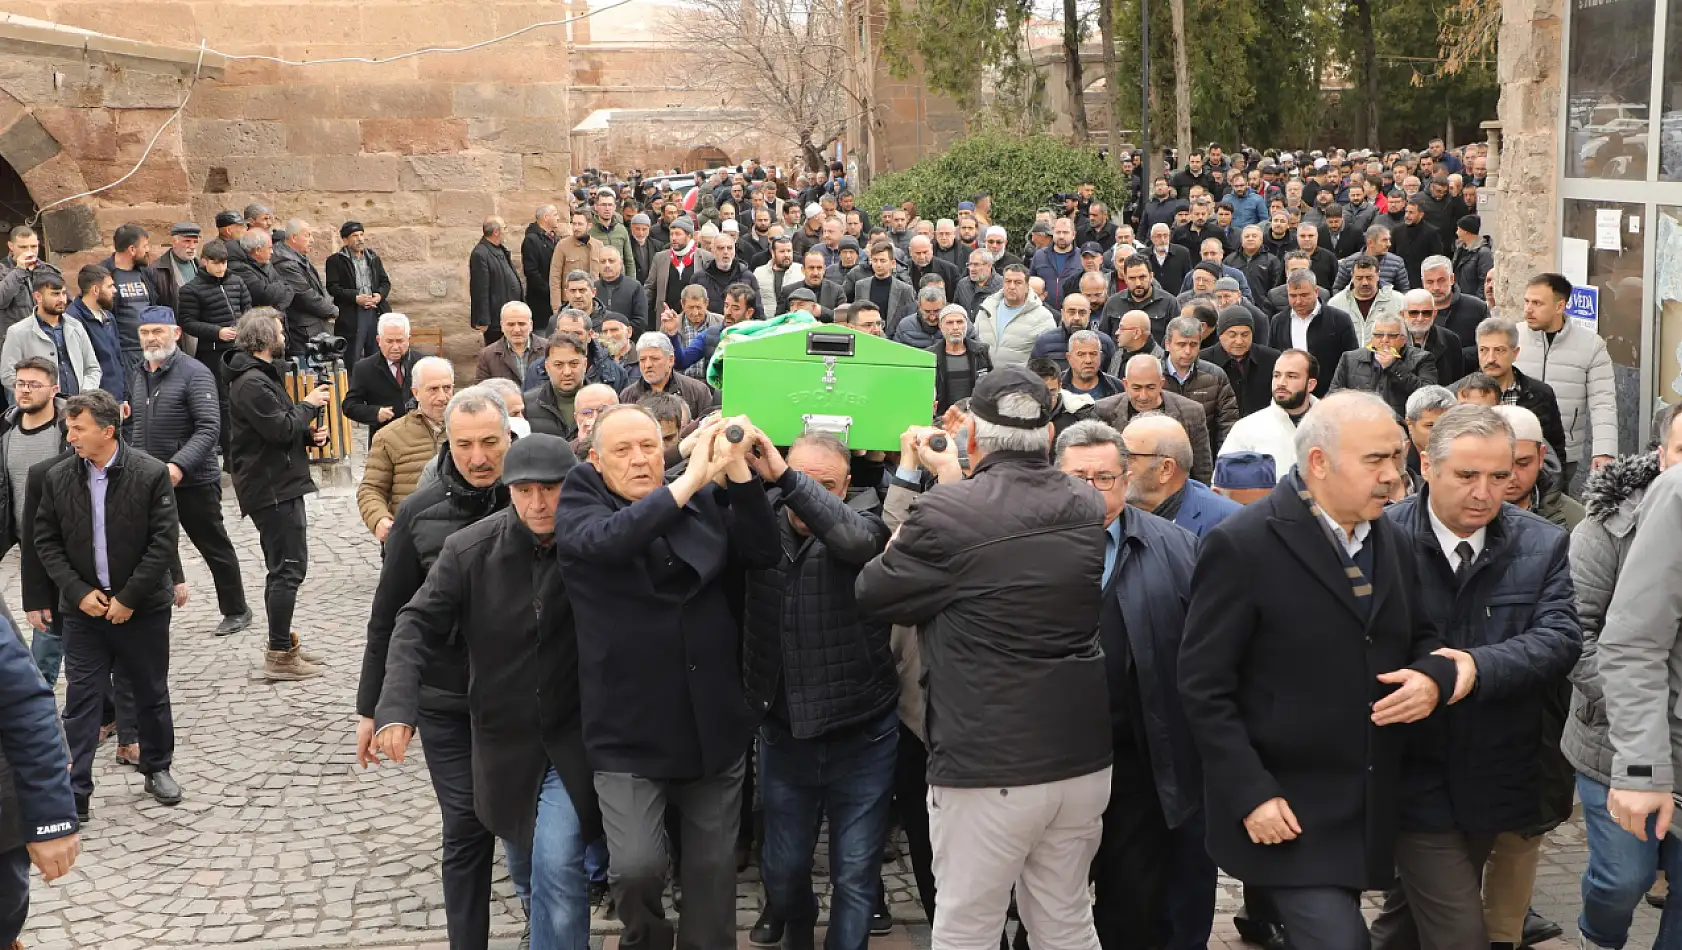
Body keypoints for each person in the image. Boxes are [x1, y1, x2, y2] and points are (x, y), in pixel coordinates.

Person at [1179, 390, 1458, 950]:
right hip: (1288, 806)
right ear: (1318, 464)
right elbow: (1203, 685)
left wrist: (1434, 678)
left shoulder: (1392, 540)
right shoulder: (1244, 544)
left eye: (1396, 459)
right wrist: (1250, 793)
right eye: (1374, 460)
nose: (1392, 476)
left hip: (1371, 801)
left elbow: (1422, 636)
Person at [855, 368, 1111, 950]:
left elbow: (874, 591)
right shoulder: (1085, 500)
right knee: (1065, 920)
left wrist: (936, 485)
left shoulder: (947, 513)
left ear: (973, 439)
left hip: (987, 762)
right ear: (1048, 437)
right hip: (1079, 757)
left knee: (966, 927)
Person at [557, 408, 781, 950]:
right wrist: (689, 480)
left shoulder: (698, 495)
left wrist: (740, 472)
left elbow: (762, 552)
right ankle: (647, 940)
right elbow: (611, 540)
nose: (640, 460)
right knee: (635, 868)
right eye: (624, 451)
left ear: (666, 447)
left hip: (713, 722)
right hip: (627, 727)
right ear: (596, 459)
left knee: (712, 875)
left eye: (650, 447)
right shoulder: (582, 502)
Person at [373, 433, 600, 950]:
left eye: (552, 489)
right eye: (525, 491)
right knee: (525, 868)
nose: (539, 504)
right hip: (502, 742)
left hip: (574, 738)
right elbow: (412, 622)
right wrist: (395, 707)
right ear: (509, 489)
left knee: (559, 867)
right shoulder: (468, 549)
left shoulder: (595, 540)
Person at [1368, 404, 1581, 950]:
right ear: (1427, 465)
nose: (1485, 492)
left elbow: (1560, 640)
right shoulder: (1378, 538)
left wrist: (1472, 667)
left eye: (1500, 476)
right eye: (1467, 475)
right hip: (1409, 770)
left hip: (1496, 770)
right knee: (1460, 930)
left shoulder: (1543, 542)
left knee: (1410, 918)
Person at [357, 385, 513, 950]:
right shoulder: (420, 513)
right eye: (466, 444)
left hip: (521, 697)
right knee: (467, 825)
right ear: (448, 440)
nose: (478, 458)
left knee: (528, 829)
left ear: (507, 439)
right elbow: (389, 615)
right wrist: (372, 706)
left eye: (490, 443)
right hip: (447, 700)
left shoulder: (533, 498)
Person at [1052, 419, 1212, 950]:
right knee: (1049, 897)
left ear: (1126, 480)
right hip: (1047, 762)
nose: (1092, 490)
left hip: (1142, 759)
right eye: (1078, 477)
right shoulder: (1022, 548)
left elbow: (1204, 651)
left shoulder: (1178, 549)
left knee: (1134, 900)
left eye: (1105, 478)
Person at [740, 432, 896, 950]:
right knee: (783, 871)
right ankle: (797, 931)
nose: (809, 497)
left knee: (854, 875)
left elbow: (852, 543)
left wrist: (788, 478)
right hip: (786, 734)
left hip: (863, 733)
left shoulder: (870, 522)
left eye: (824, 485)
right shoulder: (756, 517)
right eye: (798, 480)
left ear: (848, 485)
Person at [33, 390, 185, 817]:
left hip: (143, 609)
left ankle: (157, 767)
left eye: (78, 428)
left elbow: (162, 542)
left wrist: (129, 598)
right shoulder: (59, 477)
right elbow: (46, 541)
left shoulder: (150, 473)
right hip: (83, 613)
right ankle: (75, 790)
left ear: (108, 430)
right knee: (81, 700)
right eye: (69, 426)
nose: (70, 435)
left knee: (150, 690)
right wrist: (78, 592)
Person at [1565, 403, 1682, 949]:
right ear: (1663, 455)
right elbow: (1581, 633)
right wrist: (1641, 725)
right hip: (1614, 740)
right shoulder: (1608, 530)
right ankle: (1598, 938)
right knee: (1623, 879)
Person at [126, 307, 251, 637]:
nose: (151, 338)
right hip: (149, 479)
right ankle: (157, 603)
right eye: (145, 332)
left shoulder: (194, 372)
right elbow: (138, 425)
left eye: (158, 331)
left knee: (213, 545)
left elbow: (209, 427)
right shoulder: (138, 373)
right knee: (151, 544)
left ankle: (236, 609)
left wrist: (179, 464)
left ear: (176, 334)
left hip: (194, 479)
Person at [223, 308, 333, 680]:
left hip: (278, 482)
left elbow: (281, 429)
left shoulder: (259, 378)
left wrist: (309, 434)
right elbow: (278, 429)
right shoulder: (252, 383)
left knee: (286, 568)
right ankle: (279, 654)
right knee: (287, 570)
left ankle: (284, 644)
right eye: (280, 332)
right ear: (266, 340)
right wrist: (308, 406)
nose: (285, 337)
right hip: (270, 488)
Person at [1517, 272, 1618, 485]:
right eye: (1526, 301)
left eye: (1537, 303)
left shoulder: (1591, 345)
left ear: (1559, 306)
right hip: (1514, 448)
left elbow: (1603, 402)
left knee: (1555, 514)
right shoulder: (1512, 337)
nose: (1528, 309)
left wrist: (1604, 451)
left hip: (1563, 452)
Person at [358, 356, 454, 541]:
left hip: (458, 537)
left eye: (447, 388)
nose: (442, 397)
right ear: (415, 392)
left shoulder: (467, 431)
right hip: (409, 538)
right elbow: (371, 489)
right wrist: (379, 519)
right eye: (433, 389)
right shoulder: (389, 436)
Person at [1093, 355, 1213, 485]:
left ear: (1161, 383)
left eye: (1150, 387)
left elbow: (1202, 470)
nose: (1143, 396)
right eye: (1136, 388)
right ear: (1125, 384)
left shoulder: (1191, 412)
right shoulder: (1104, 411)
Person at [1471, 316, 1570, 469]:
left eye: (1499, 350)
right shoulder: (1460, 393)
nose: (1490, 358)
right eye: (1483, 350)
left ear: (1515, 353)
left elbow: (1556, 452)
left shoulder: (1541, 394)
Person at [1121, 414, 1240, 538]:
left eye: (1127, 457)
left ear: (1165, 469)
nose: (1117, 466)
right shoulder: (1108, 514)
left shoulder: (1228, 524)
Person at [1216, 347, 1318, 482]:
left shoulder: (1334, 425)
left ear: (1310, 385)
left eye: (1291, 376)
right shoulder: (1247, 428)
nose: (1281, 383)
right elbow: (1223, 483)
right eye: (1277, 375)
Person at [0, 270, 101, 395]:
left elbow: (93, 368)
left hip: (76, 406)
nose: (62, 299)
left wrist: (85, 394)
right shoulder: (17, 332)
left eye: (63, 293)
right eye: (55, 294)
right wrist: (36, 395)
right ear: (38, 297)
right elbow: (8, 375)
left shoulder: (76, 326)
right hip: (38, 409)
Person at [1327, 313, 1438, 417]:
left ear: (1403, 339)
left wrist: (1394, 366)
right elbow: (1334, 395)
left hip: (1400, 424)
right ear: (1372, 338)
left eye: (1392, 336)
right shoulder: (1350, 358)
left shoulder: (1422, 358)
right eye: (1379, 335)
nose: (1385, 340)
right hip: (1359, 422)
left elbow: (1429, 396)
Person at [1268, 270, 1358, 398]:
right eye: (1293, 296)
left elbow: (1352, 362)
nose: (1298, 301)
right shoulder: (1278, 321)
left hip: (1330, 397)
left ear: (1316, 292)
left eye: (1304, 295)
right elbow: (1274, 360)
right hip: (1292, 398)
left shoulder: (1339, 319)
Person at [1160, 313, 1239, 450]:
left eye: (1193, 345)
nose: (1187, 351)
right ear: (1168, 344)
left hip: (1203, 456)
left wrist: (1223, 460)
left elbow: (1227, 423)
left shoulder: (1215, 376)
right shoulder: (1152, 374)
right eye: (1181, 344)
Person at [342, 313, 420, 444]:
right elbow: (350, 406)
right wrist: (375, 413)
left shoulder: (424, 363)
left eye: (400, 341)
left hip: (418, 439)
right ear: (379, 341)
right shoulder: (364, 368)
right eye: (389, 341)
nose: (395, 347)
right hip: (383, 442)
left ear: (408, 339)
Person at [323, 221, 391, 362]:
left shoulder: (373, 258)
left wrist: (379, 295)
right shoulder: (335, 261)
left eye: (361, 234)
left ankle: (374, 384)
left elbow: (385, 282)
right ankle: (353, 384)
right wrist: (355, 298)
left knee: (376, 357)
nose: (360, 238)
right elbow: (333, 288)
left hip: (375, 312)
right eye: (355, 235)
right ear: (345, 240)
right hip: (352, 315)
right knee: (352, 358)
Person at [272, 220, 340, 356]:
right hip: (303, 330)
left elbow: (319, 287)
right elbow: (304, 295)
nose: (312, 240)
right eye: (307, 235)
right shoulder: (285, 263)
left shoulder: (298, 258)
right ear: (293, 238)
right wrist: (332, 310)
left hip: (315, 326)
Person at [618, 332, 718, 422]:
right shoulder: (627, 396)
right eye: (642, 359)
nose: (647, 365)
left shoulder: (697, 391)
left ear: (671, 360)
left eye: (655, 359)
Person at [1202, 307, 1279, 419]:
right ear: (1220, 335)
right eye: (1232, 335)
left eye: (1245, 335)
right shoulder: (1203, 361)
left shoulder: (1272, 359)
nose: (1239, 341)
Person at [974, 265, 1056, 370]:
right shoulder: (987, 309)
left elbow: (1046, 361)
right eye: (1008, 281)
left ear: (1027, 286)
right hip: (986, 381)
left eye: (1018, 282)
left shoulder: (1043, 318)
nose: (1012, 286)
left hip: (1020, 383)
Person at [67, 264, 127, 405]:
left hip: (116, 398)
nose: (115, 290)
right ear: (95, 290)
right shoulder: (72, 321)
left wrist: (124, 396)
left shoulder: (108, 317)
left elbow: (118, 359)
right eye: (109, 286)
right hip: (94, 402)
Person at [100, 224, 159, 364]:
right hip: (123, 352)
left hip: (150, 348)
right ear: (132, 249)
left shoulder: (145, 272)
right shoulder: (103, 274)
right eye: (144, 246)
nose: (148, 250)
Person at [525, 333, 591, 440]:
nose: (567, 372)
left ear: (585, 364)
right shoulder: (527, 405)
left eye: (573, 364)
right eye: (558, 365)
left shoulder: (603, 402)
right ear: (547, 366)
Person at [470, 217, 523, 346]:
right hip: (495, 319)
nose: (506, 231)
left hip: (509, 314)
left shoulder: (499, 249)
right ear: (496, 232)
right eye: (504, 228)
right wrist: (483, 320)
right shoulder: (480, 254)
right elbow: (480, 289)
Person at [932, 305, 990, 415]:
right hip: (942, 420)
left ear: (967, 324)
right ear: (940, 326)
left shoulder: (981, 352)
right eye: (949, 323)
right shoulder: (931, 356)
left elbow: (990, 386)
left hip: (975, 418)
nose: (955, 327)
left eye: (959, 322)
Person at [475, 301, 547, 387]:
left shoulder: (548, 349)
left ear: (531, 325)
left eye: (521, 324)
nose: (516, 330)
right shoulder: (487, 355)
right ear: (502, 326)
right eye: (511, 324)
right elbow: (481, 391)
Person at [144, 223, 200, 326]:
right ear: (174, 242)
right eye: (187, 241)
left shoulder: (201, 267)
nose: (192, 246)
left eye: (195, 242)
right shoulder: (156, 270)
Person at [522, 205, 563, 322]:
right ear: (546, 217)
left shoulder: (555, 238)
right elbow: (531, 271)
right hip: (541, 301)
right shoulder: (532, 240)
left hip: (555, 297)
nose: (558, 218)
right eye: (555, 214)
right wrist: (549, 290)